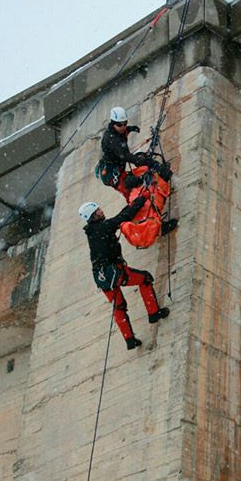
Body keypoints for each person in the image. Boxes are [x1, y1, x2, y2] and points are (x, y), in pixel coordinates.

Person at [79, 199, 170, 350]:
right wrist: (140, 201)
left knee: (119, 306)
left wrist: (131, 205)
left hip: (101, 277)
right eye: (98, 211)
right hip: (115, 271)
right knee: (145, 279)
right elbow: (124, 217)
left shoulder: (93, 231)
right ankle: (154, 313)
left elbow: (119, 217)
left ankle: (130, 340)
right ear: (93, 216)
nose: (102, 211)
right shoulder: (103, 227)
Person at [98, 106, 177, 236]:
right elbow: (127, 157)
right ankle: (152, 228)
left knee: (140, 188)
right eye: (120, 125)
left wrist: (130, 129)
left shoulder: (118, 131)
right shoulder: (111, 140)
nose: (123, 127)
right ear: (113, 124)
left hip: (118, 169)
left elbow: (123, 135)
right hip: (114, 176)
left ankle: (155, 201)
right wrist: (148, 162)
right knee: (135, 200)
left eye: (125, 124)